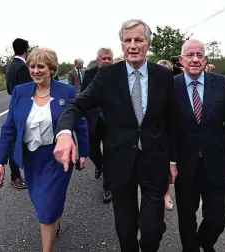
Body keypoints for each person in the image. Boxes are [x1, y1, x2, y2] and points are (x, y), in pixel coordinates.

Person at [53, 19, 179, 252]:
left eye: (138, 40)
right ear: (121, 44)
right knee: (125, 229)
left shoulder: (163, 76)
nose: (133, 45)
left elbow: (172, 121)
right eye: (127, 40)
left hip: (155, 160)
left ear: (148, 44)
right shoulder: (107, 76)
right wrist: (64, 132)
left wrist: (173, 160)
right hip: (120, 162)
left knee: (152, 229)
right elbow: (76, 105)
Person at [0, 48, 89, 252]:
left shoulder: (67, 92)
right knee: (42, 202)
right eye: (32, 66)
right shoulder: (20, 92)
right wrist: (0, 163)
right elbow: (9, 129)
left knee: (46, 208)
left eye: (40, 66)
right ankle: (54, 218)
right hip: (31, 159)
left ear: (52, 69)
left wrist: (84, 152)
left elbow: (80, 123)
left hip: (58, 158)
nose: (35, 70)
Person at [173, 39, 225, 252]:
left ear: (205, 60)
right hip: (185, 166)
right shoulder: (172, 86)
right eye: (190, 55)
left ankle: (204, 242)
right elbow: (165, 129)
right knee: (186, 218)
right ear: (181, 60)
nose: (195, 59)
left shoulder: (221, 83)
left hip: (216, 164)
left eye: (199, 55)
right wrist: (167, 161)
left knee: (219, 217)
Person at [81, 47, 114, 203]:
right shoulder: (89, 74)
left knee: (110, 156)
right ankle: (99, 165)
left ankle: (108, 187)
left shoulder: (118, 73)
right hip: (93, 120)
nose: (107, 61)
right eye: (104, 58)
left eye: (109, 58)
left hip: (111, 123)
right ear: (98, 59)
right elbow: (83, 96)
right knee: (92, 151)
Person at [4, 38, 33, 189]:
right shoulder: (23, 67)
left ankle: (16, 174)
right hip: (23, 107)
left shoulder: (9, 66)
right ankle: (16, 176)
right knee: (18, 141)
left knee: (15, 140)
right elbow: (26, 90)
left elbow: (9, 89)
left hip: (13, 105)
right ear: (26, 50)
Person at [156, 59, 175, 211]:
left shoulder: (173, 87)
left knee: (167, 164)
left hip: (167, 133)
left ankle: (167, 193)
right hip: (151, 134)